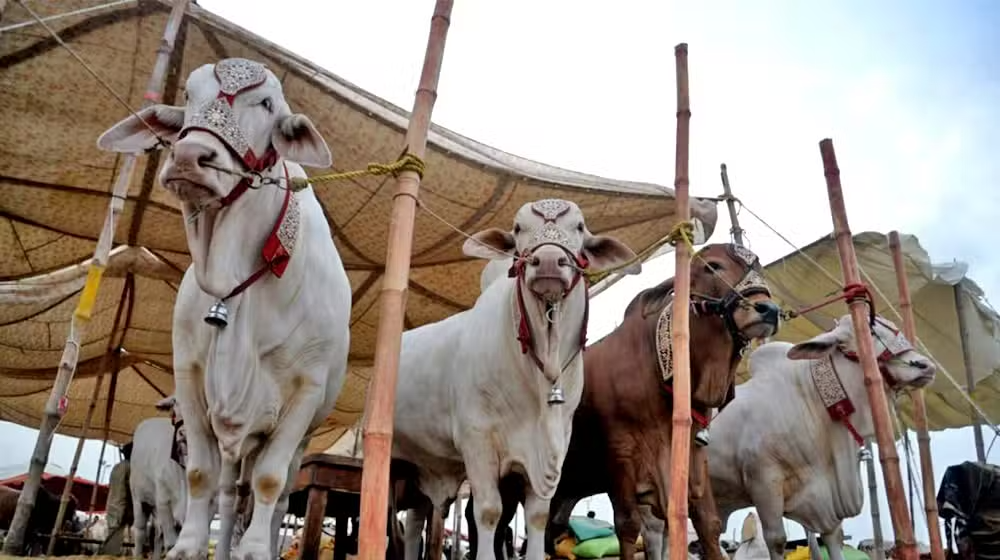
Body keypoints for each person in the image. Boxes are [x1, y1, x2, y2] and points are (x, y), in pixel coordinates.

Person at [98, 442, 134, 556]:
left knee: (112, 535)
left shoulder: (117, 467)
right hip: (122, 508)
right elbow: (130, 490)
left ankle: (106, 555)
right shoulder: (131, 467)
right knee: (115, 540)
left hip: (112, 506)